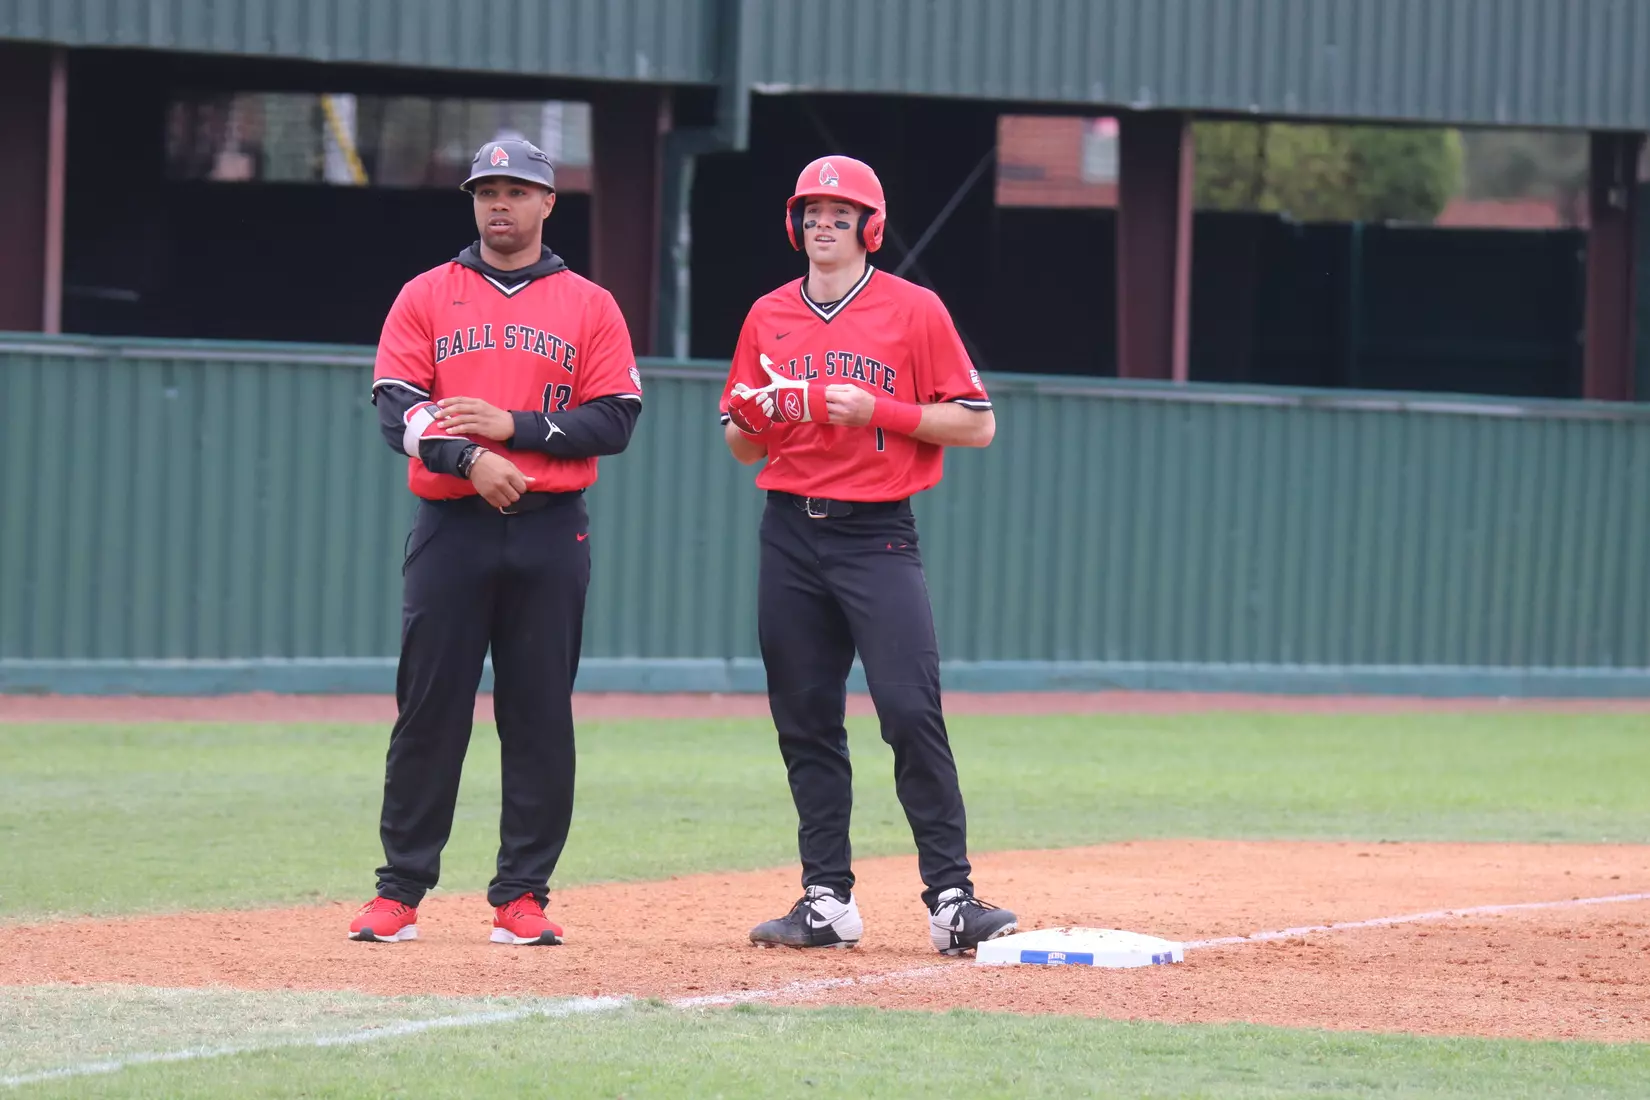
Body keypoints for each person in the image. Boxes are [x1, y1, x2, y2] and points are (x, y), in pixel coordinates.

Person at [719, 154, 1018, 955]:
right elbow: (742, 446)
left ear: (870, 228)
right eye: (812, 211)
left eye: (840, 214)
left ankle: (952, 900)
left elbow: (977, 423)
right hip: (789, 530)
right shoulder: (767, 315)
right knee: (806, 718)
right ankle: (826, 901)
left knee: (909, 710)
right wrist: (763, 416)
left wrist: (878, 408)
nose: (823, 224)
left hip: (877, 533)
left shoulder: (914, 311)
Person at [350, 138, 643, 946]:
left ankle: (523, 895)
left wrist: (514, 431)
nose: (500, 204)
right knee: (429, 710)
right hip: (453, 524)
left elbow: (615, 418)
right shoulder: (426, 295)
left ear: (550, 202)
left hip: (552, 528)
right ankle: (400, 890)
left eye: (517, 190)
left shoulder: (589, 304)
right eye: (487, 191)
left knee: (540, 712)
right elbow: (396, 407)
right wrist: (470, 459)